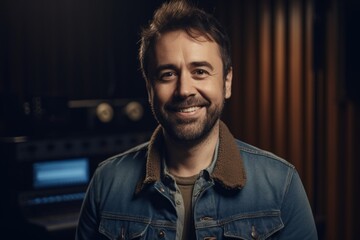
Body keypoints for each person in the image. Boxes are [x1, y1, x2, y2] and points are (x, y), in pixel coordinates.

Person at [75, 0, 318, 239]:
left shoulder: (281, 185)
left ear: (227, 82)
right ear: (150, 88)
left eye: (200, 72)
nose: (184, 90)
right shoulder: (106, 184)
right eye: (167, 74)